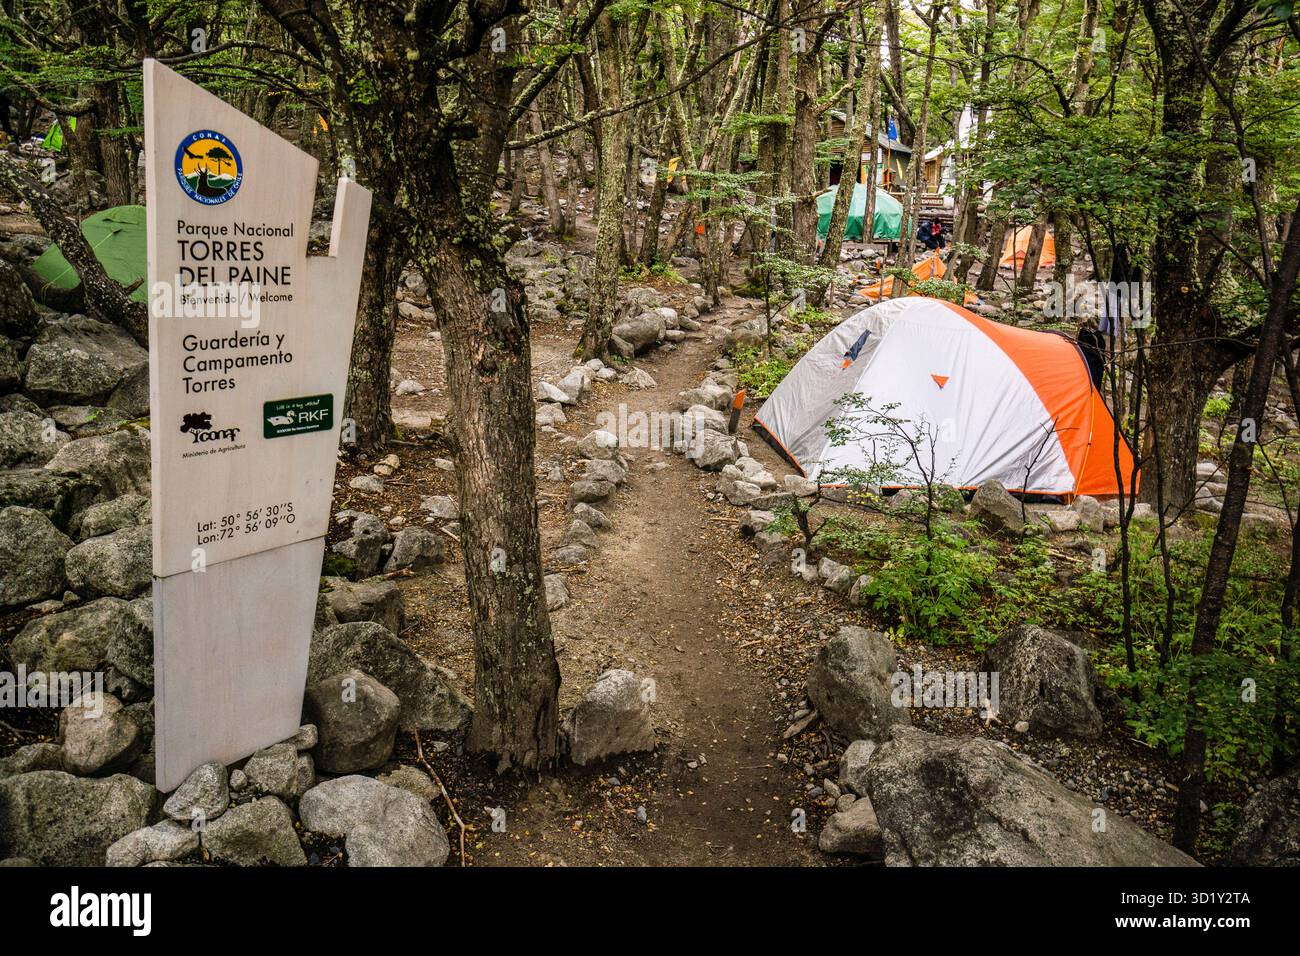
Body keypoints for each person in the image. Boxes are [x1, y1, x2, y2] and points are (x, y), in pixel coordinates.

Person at [1077, 318, 1106, 391]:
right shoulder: (1097, 336)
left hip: (1085, 364)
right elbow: (1102, 348)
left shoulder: (1083, 333)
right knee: (1094, 387)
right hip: (1094, 365)